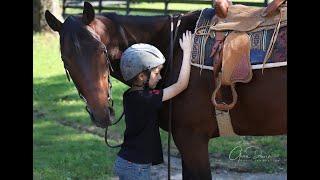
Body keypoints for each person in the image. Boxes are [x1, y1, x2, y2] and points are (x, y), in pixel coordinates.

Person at [113, 30, 193, 180]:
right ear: (142, 76)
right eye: (157, 73)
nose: (160, 77)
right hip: (136, 167)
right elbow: (181, 85)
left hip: (125, 161)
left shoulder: (129, 95)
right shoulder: (147, 99)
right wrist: (187, 51)